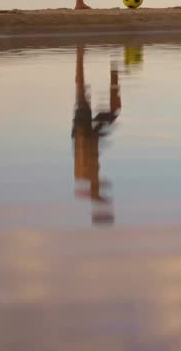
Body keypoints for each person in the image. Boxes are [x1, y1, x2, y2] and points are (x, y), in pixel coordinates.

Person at [72, 43, 121, 226]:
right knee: (111, 107)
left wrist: (98, 199)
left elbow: (84, 154)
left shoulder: (84, 178)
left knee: (82, 94)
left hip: (83, 134)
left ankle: (80, 54)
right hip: (89, 136)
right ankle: (113, 68)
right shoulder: (88, 179)